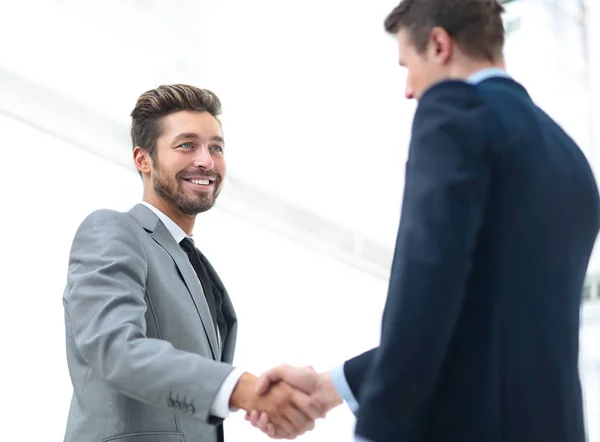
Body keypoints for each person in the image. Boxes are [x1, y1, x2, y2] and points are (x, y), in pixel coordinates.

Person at [249, 1, 600, 441]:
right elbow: (479, 317)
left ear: (439, 45)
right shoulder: (569, 158)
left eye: (407, 65)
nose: (409, 90)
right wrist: (326, 388)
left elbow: (427, 289)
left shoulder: (454, 112)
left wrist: (377, 429)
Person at [62, 84, 322, 442]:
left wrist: (252, 399)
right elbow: (115, 349)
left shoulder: (194, 263)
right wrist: (240, 389)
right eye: (187, 145)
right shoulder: (113, 230)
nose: (206, 161)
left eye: (216, 147)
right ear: (143, 159)